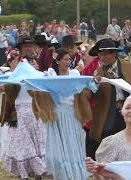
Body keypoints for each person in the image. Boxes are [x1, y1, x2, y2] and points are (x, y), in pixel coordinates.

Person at [29, 48, 92, 180]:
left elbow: (86, 87)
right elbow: (39, 87)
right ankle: (60, 172)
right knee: (57, 145)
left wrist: (94, 82)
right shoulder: (51, 75)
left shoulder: (74, 74)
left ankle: (73, 172)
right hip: (56, 114)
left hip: (71, 113)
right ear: (57, 61)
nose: (68, 62)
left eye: (69, 59)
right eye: (65, 59)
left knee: (72, 142)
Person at [87, 38, 131, 160]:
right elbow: (92, 96)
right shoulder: (99, 71)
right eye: (100, 54)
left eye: (105, 54)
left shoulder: (129, 67)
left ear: (114, 53)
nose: (102, 57)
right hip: (108, 113)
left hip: (128, 110)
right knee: (109, 138)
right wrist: (94, 84)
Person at [0, 59, 46, 180]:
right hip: (22, 115)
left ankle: (35, 172)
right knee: (26, 144)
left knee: (32, 143)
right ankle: (30, 172)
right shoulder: (12, 79)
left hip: (33, 114)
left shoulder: (36, 78)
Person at [86, 94, 131, 179]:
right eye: (127, 108)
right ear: (122, 113)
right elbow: (101, 177)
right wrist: (96, 172)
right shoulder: (111, 143)